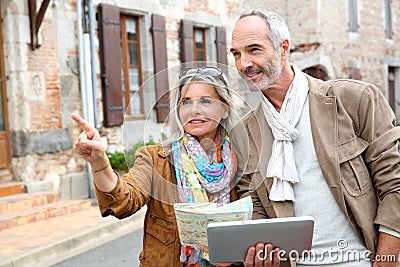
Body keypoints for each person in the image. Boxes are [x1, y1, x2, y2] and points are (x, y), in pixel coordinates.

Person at [229, 9, 400, 267]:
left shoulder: (356, 100)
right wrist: (260, 251)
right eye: (236, 54)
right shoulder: (244, 132)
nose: (244, 64)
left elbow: (395, 185)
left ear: (284, 49)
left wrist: (385, 262)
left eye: (254, 50)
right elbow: (254, 207)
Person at [71, 66, 239, 267]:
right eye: (186, 102)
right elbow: (123, 201)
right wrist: (100, 163)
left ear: (225, 109)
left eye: (206, 101)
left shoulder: (244, 160)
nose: (195, 109)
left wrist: (235, 252)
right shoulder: (156, 159)